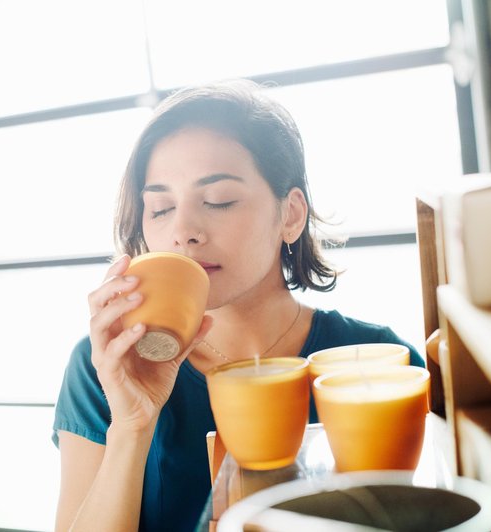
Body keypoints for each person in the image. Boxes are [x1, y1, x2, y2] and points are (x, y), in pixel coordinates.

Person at [52, 79, 424, 532]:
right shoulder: (106, 367)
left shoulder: (378, 359)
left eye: (218, 200)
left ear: (290, 215)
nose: (183, 230)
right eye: (161, 208)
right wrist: (131, 425)